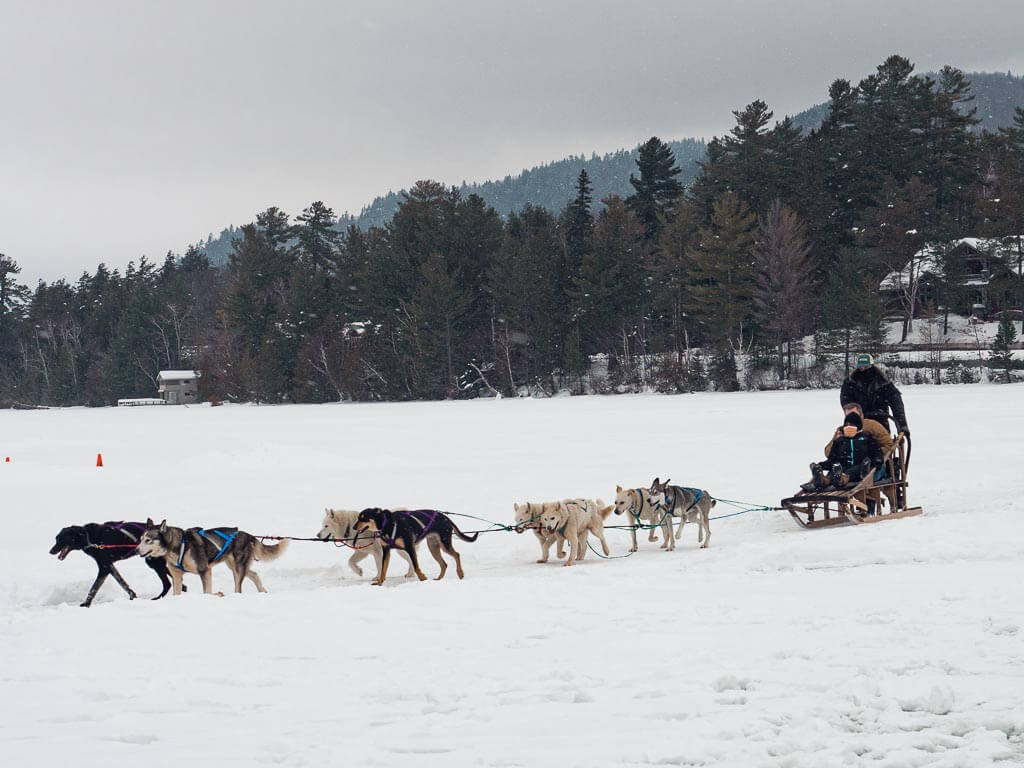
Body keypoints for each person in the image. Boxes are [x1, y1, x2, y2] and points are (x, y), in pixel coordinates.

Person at [802, 412, 884, 492]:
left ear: (858, 426)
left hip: (860, 468)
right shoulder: (840, 441)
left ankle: (841, 479)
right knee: (835, 469)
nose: (848, 427)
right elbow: (832, 459)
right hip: (841, 467)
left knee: (853, 470)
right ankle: (822, 480)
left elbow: (878, 454)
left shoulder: (867, 438)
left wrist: (876, 461)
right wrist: (821, 465)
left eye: (852, 425)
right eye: (846, 425)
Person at [840, 354, 909, 436]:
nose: (863, 369)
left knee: (884, 445)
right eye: (860, 366)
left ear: (871, 366)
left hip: (880, 422)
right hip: (857, 423)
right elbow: (846, 401)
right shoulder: (850, 383)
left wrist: (902, 425)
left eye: (866, 366)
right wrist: (855, 414)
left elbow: (896, 404)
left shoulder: (883, 382)